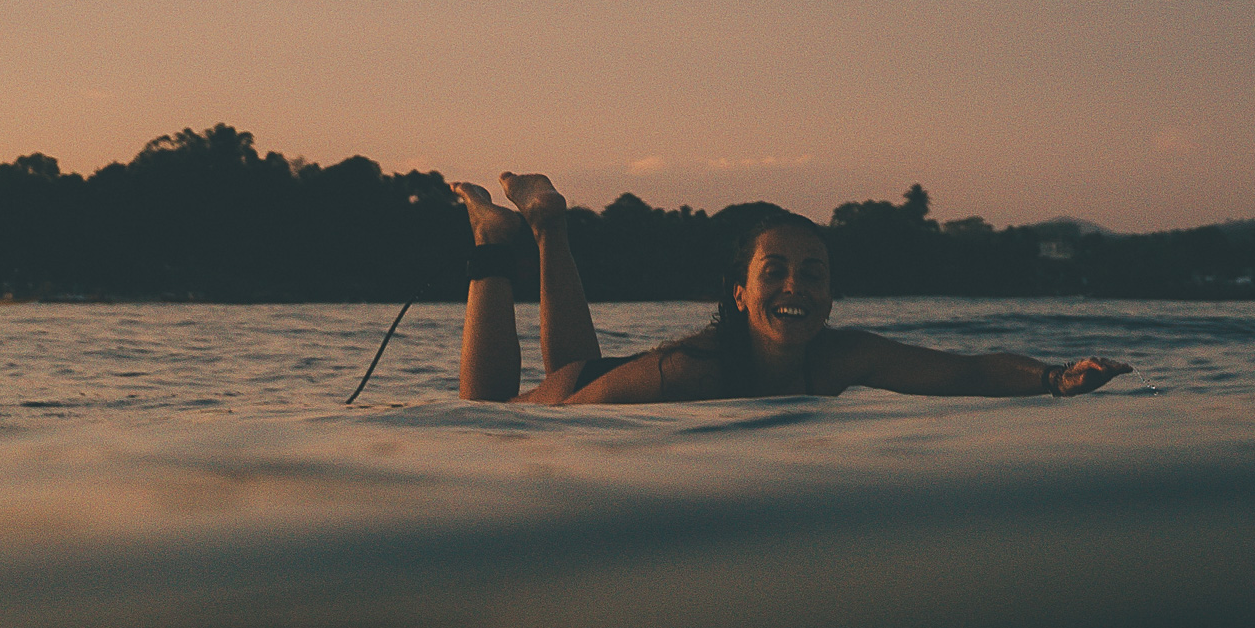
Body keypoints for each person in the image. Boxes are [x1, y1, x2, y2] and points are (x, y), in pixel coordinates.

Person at [452, 172, 1131, 404]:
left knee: (566, 362)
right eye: (773, 270)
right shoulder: (691, 370)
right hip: (585, 394)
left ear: (830, 295)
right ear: (741, 293)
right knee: (486, 410)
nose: (794, 286)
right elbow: (559, 418)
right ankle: (492, 237)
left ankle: (550, 226)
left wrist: (1052, 379)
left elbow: (964, 374)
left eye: (812, 272)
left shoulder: (841, 356)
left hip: (605, 375)